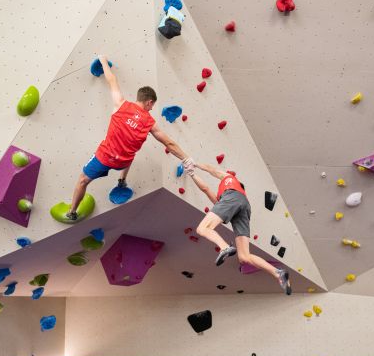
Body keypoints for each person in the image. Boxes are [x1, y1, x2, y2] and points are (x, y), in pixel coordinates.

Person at [66, 55, 192, 221]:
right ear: (149, 102)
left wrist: (103, 61)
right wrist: (186, 158)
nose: (151, 109)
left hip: (104, 158)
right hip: (123, 162)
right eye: (152, 105)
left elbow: (112, 80)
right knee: (131, 152)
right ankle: (122, 180)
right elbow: (169, 143)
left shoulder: (121, 104)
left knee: (83, 180)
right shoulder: (150, 123)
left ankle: (72, 212)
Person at [187, 163, 292, 294]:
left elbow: (211, 172)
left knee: (202, 228)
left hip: (233, 198)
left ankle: (225, 247)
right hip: (245, 208)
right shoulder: (226, 200)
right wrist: (193, 174)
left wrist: (194, 165)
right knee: (244, 257)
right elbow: (206, 188)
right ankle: (277, 273)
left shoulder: (229, 180)